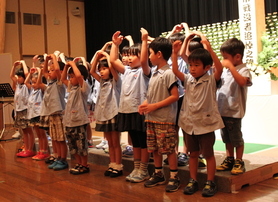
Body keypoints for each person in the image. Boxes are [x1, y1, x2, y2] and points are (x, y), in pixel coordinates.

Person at [171, 32, 224, 197]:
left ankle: (210, 181)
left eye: (196, 65)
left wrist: (209, 49)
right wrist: (174, 54)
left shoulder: (210, 80)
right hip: (189, 124)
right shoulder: (188, 79)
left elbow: (220, 68)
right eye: (190, 65)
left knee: (208, 154)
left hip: (206, 124)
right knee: (192, 154)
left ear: (206, 67)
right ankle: (193, 180)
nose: (192, 68)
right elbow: (175, 69)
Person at [138, 35, 180, 192]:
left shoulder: (168, 73)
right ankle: (158, 173)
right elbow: (153, 96)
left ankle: (174, 176)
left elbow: (175, 96)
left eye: (150, 53)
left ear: (159, 54)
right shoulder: (155, 73)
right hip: (152, 119)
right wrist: (145, 105)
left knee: (168, 149)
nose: (149, 57)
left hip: (165, 119)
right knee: (154, 148)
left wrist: (154, 106)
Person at [110, 28, 150, 183]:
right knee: (135, 141)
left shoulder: (145, 71)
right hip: (127, 110)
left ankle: (144, 169)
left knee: (143, 142)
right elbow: (113, 61)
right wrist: (115, 45)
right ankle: (137, 167)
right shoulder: (126, 71)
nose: (129, 58)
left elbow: (145, 60)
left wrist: (145, 41)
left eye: (134, 54)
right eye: (128, 55)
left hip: (140, 111)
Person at [216, 38, 252, 175]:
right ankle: (229, 158)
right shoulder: (225, 71)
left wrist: (231, 67)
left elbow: (243, 82)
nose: (223, 60)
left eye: (226, 57)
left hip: (234, 112)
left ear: (237, 56)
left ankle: (239, 161)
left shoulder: (243, 70)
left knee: (236, 138)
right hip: (223, 111)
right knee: (226, 138)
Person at [90, 49, 122, 177]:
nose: (101, 71)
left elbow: (113, 70)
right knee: (109, 142)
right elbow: (92, 71)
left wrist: (108, 56)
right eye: (100, 69)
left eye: (104, 68)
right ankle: (112, 164)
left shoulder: (116, 81)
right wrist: (97, 58)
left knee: (115, 142)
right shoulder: (102, 82)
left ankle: (118, 166)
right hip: (103, 115)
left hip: (113, 114)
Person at [61, 60, 90, 174]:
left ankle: (84, 165)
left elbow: (78, 76)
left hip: (79, 121)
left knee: (81, 145)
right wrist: (66, 67)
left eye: (72, 77)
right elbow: (63, 79)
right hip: (69, 121)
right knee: (73, 146)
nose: (70, 79)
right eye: (70, 76)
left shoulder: (83, 88)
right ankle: (78, 163)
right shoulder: (71, 87)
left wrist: (73, 64)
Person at [39, 54, 68, 171]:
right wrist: (46, 60)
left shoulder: (59, 83)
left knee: (61, 139)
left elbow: (56, 69)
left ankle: (63, 159)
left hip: (59, 113)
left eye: (52, 71)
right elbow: (44, 71)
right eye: (49, 71)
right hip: (51, 114)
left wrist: (54, 58)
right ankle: (57, 157)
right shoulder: (50, 83)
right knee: (55, 138)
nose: (50, 72)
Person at [10, 60, 35, 158]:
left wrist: (23, 63)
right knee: (24, 131)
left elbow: (26, 73)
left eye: (20, 77)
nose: (18, 78)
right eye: (18, 77)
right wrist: (14, 66)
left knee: (29, 130)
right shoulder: (17, 86)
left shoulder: (26, 85)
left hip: (26, 110)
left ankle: (30, 149)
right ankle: (26, 148)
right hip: (19, 110)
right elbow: (11, 76)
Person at [25, 66, 49, 160]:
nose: (34, 84)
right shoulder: (32, 90)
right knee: (38, 134)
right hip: (33, 115)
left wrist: (39, 72)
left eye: (35, 82)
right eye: (33, 82)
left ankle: (44, 151)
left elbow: (39, 83)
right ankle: (40, 150)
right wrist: (30, 74)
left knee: (42, 134)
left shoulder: (41, 90)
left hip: (39, 114)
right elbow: (26, 82)